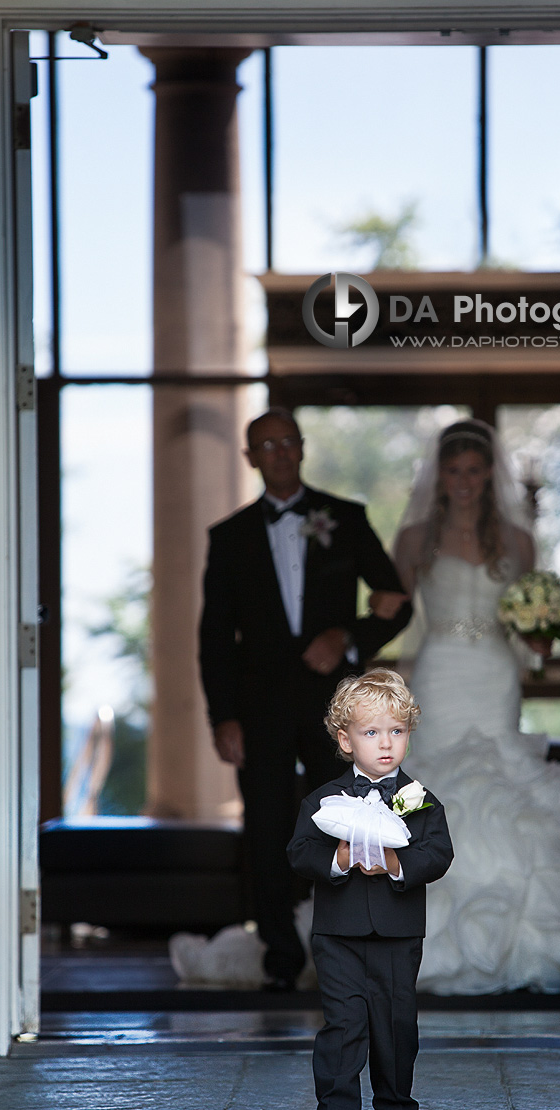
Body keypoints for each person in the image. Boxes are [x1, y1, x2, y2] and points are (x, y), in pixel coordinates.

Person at [383, 418, 560, 995]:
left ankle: (520, 946)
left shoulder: (517, 539)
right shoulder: (413, 540)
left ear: (489, 475)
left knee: (500, 782)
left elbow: (534, 630)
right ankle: (421, 943)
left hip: (495, 676)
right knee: (436, 788)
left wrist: (540, 639)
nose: (464, 481)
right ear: (439, 476)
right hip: (438, 671)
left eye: (474, 471)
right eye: (454, 471)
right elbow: (389, 614)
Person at [198, 410, 412, 991]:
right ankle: (280, 957)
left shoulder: (345, 518)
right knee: (266, 829)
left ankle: (344, 950)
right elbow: (214, 637)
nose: (280, 452)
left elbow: (398, 600)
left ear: (302, 448)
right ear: (251, 458)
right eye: (266, 445)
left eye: (288, 441)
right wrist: (224, 717)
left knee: (346, 824)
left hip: (335, 707)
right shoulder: (229, 537)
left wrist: (347, 639)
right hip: (259, 706)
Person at [287, 669, 453, 1110]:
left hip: (398, 934)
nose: (386, 744)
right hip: (338, 933)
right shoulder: (324, 800)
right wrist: (337, 858)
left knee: (396, 1023)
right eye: (372, 732)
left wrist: (397, 863)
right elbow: (299, 853)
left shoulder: (420, 803)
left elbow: (438, 854)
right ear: (345, 739)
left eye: (396, 732)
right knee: (343, 1024)